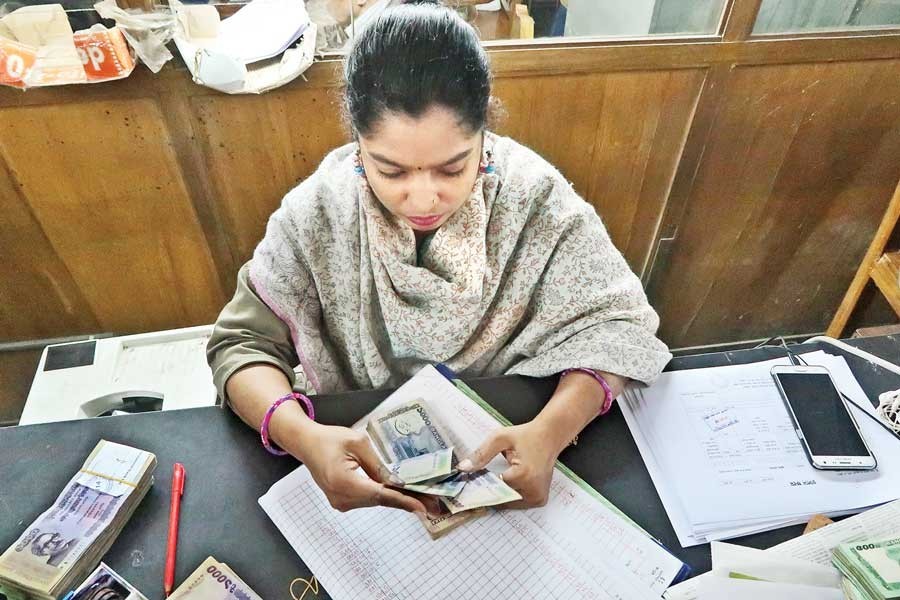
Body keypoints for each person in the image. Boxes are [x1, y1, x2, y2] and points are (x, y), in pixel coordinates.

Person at [207, 2, 671, 517]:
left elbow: (621, 328)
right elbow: (241, 345)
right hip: (364, 448)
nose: (424, 199)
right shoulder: (320, 211)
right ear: (357, 145)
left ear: (483, 136)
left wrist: (552, 431)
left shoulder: (533, 197)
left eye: (453, 169)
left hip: (500, 436)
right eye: (391, 171)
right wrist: (303, 437)